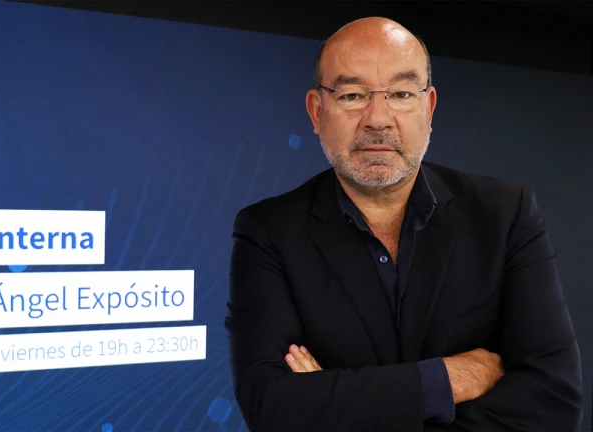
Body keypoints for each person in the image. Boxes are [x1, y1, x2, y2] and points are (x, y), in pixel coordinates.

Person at [224, 16, 583, 432]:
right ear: (316, 111)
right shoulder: (268, 231)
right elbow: (272, 407)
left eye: (401, 94)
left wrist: (334, 402)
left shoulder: (505, 213)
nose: (378, 119)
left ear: (428, 108)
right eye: (352, 95)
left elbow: (555, 401)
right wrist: (448, 378)